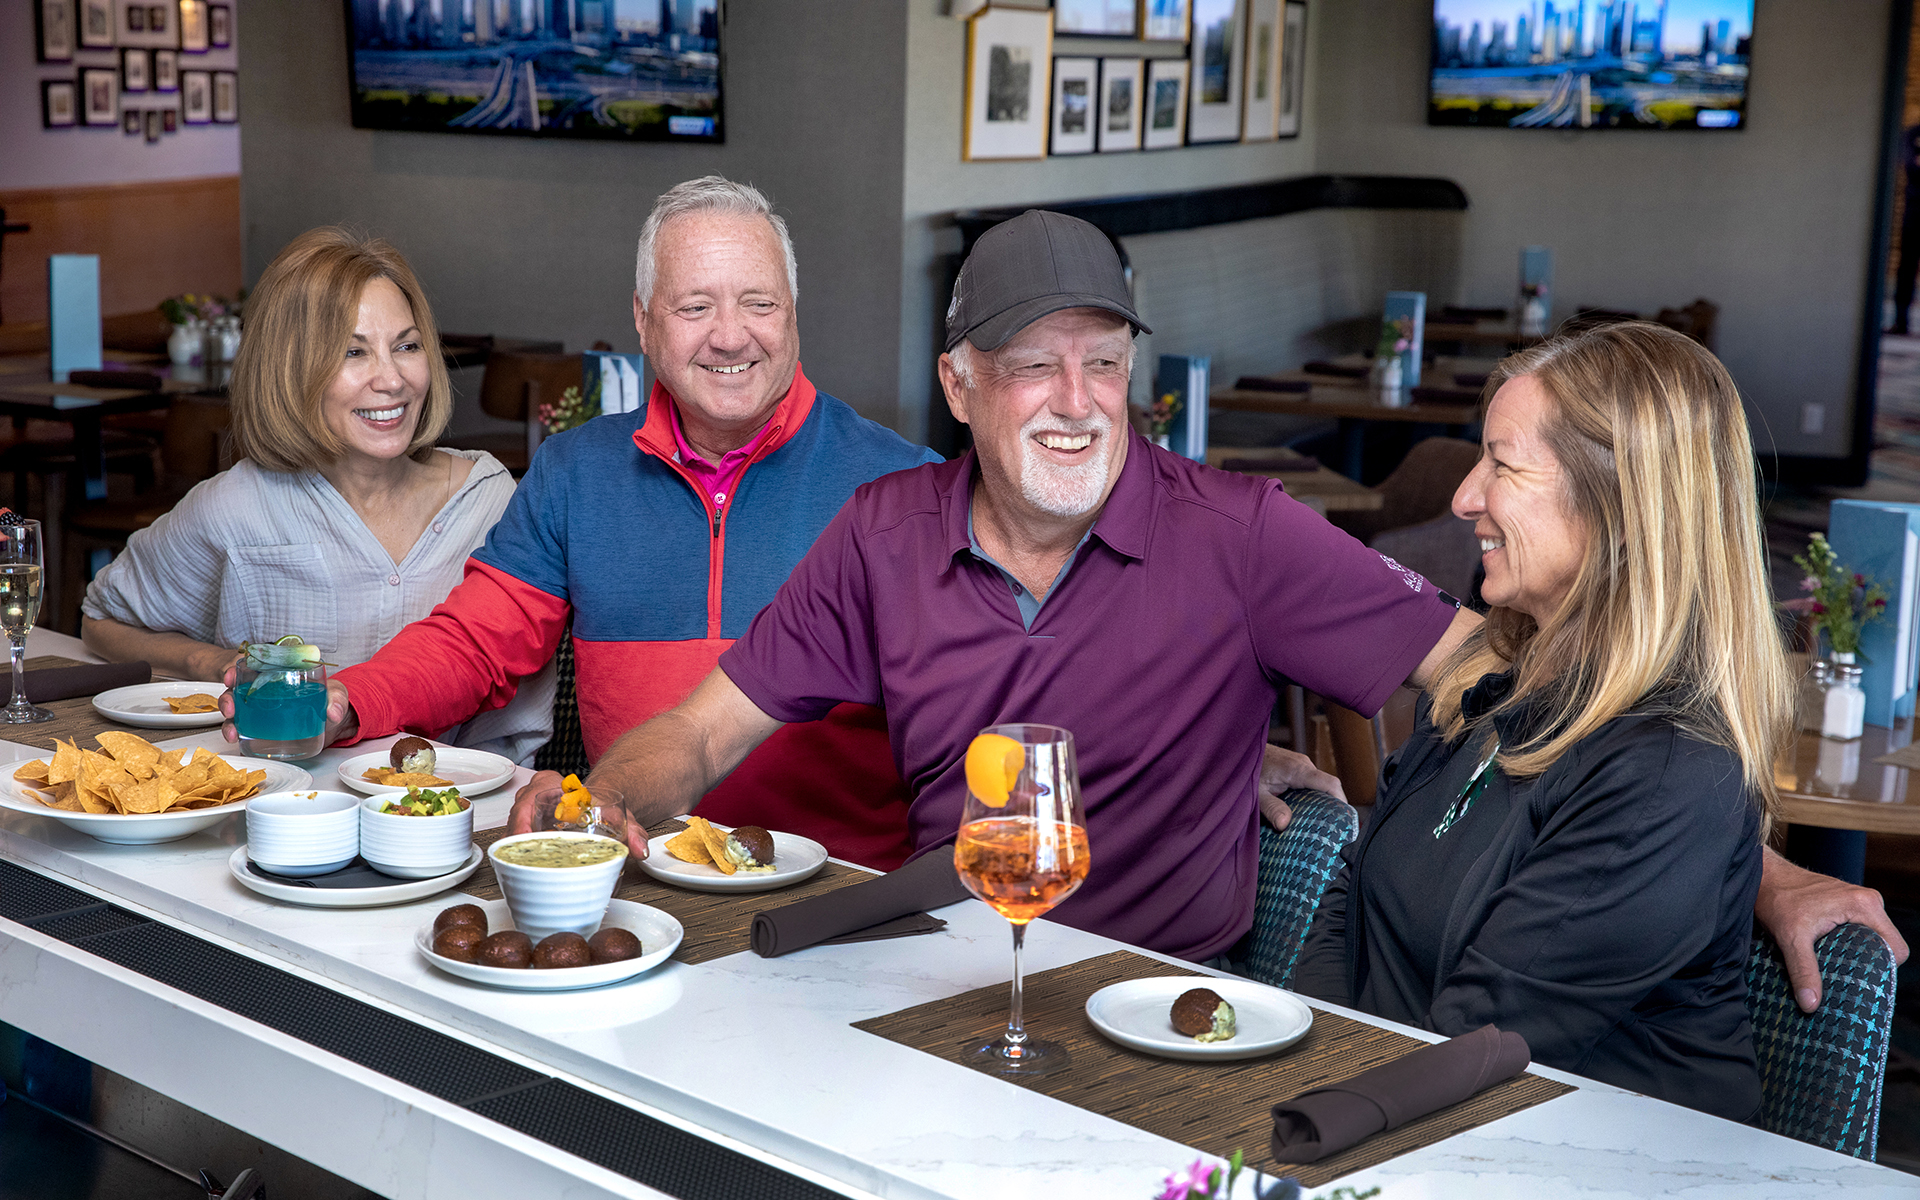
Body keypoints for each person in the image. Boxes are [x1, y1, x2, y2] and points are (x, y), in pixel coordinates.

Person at [512, 209, 1908, 1006]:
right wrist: (606, 801)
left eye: (1104, 363)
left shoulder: (1236, 533)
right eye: (1032, 365)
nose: (1075, 402)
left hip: (1161, 1007)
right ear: (959, 386)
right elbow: (703, 731)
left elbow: (1518, 681)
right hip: (932, 980)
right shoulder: (882, 532)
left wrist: (1749, 866)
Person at [287, 176, 939, 868]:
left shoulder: (906, 489)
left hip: (845, 884)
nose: (730, 336)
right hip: (637, 866)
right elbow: (475, 641)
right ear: (643, 319)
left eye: (759, 303)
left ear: (793, 312)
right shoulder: (576, 471)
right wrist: (349, 698)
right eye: (695, 307)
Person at [1292, 322, 1815, 1120]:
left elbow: (1480, 1048)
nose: (1465, 498)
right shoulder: (1488, 689)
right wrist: (1305, 1060)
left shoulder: (1666, 774)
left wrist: (1307, 1106)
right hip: (1398, 1117)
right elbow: (1351, 906)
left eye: (1502, 465)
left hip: (1585, 1158)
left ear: (1621, 506)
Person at [85, 228, 551, 762]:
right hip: (291, 795)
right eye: (353, 352)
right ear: (291, 370)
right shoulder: (240, 505)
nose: (392, 379)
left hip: (475, 798)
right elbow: (100, 620)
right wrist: (211, 663)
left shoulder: (491, 502)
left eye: (407, 346)